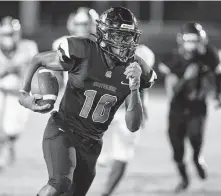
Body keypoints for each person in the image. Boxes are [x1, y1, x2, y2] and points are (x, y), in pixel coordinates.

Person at [19, 7, 157, 196]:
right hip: (64, 128)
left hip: (92, 143)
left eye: (128, 37)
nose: (124, 43)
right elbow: (38, 59)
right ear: (105, 35)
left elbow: (133, 126)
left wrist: (135, 88)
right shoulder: (83, 50)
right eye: (118, 36)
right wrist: (23, 94)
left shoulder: (137, 68)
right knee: (60, 182)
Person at [158, 22, 221, 192]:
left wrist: (218, 93)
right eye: (189, 40)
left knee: (196, 140)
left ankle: (197, 159)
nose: (192, 44)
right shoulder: (173, 60)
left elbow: (219, 70)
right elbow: (172, 93)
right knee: (177, 150)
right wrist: (187, 78)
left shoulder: (209, 55)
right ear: (181, 41)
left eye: (195, 40)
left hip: (198, 106)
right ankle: (184, 179)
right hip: (177, 108)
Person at [0, 16, 38, 172]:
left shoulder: (28, 48)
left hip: (18, 91)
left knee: (13, 128)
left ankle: (10, 144)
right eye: (4, 34)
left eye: (11, 34)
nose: (8, 38)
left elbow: (30, 75)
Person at [98, 44, 155, 196]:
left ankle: (105, 193)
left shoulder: (143, 53)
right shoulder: (100, 49)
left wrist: (143, 110)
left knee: (122, 155)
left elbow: (143, 85)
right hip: (103, 109)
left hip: (126, 111)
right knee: (94, 155)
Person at [52, 7, 99, 94]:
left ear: (90, 24)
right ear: (73, 25)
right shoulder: (62, 43)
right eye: (78, 24)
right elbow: (55, 73)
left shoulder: (98, 44)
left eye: (85, 24)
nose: (81, 28)